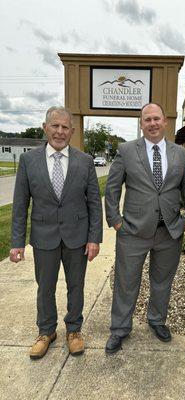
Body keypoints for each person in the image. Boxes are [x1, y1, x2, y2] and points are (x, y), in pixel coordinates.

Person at [10, 106, 102, 359]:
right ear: (45, 127)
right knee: (45, 287)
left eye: (65, 127)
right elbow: (20, 205)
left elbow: (94, 202)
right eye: (55, 126)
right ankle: (46, 331)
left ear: (72, 131)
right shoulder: (28, 161)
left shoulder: (85, 161)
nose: (60, 132)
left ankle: (74, 331)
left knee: (76, 286)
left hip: (77, 236)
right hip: (44, 236)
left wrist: (94, 238)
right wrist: (16, 242)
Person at [105, 102, 185, 354]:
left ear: (165, 121)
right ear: (141, 124)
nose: (152, 123)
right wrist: (116, 220)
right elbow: (112, 188)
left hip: (169, 231)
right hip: (132, 231)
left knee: (162, 281)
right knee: (126, 282)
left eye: (157, 118)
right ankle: (120, 329)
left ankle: (157, 321)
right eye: (147, 120)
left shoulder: (180, 153)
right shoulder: (126, 150)